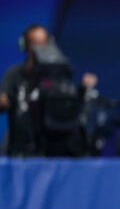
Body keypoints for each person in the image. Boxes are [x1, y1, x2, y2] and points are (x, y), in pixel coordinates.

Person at [1, 24, 97, 156]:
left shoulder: (57, 75)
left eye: (44, 43)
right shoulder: (14, 75)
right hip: (21, 150)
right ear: (25, 45)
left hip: (50, 150)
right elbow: (3, 102)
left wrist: (82, 89)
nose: (40, 48)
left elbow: (69, 105)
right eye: (35, 43)